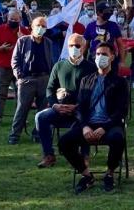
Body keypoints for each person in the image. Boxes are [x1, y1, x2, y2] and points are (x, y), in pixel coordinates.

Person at [59, 42, 128, 194]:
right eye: (97, 54)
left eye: (104, 54)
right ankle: (86, 175)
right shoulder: (86, 80)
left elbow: (121, 111)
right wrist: (84, 126)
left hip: (109, 124)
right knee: (64, 142)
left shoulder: (120, 82)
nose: (100, 57)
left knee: (117, 139)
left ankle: (109, 173)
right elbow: (80, 108)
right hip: (88, 124)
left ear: (112, 57)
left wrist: (105, 127)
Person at [35, 33, 97, 168]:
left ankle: (84, 155)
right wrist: (55, 105)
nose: (74, 48)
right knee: (41, 117)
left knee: (85, 119)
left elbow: (94, 94)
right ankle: (49, 155)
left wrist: (78, 106)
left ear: (84, 47)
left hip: (81, 109)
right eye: (71, 45)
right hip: (61, 109)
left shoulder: (91, 68)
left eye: (77, 45)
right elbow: (50, 89)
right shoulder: (59, 66)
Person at [8, 16, 53, 145]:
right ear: (32, 27)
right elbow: (15, 60)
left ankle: (38, 133)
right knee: (22, 108)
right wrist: (19, 76)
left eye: (44, 26)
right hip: (27, 79)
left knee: (43, 110)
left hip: (44, 79)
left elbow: (51, 60)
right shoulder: (22, 41)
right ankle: (14, 135)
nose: (41, 28)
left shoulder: (48, 42)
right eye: (38, 25)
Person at [0, 9, 29, 127]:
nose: (13, 21)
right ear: (7, 18)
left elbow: (31, 48)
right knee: (0, 93)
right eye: (11, 19)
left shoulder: (24, 31)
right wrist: (0, 48)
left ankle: (20, 118)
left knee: (21, 93)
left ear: (20, 20)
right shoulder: (0, 29)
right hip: (2, 67)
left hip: (20, 67)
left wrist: (23, 40)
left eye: (16, 20)